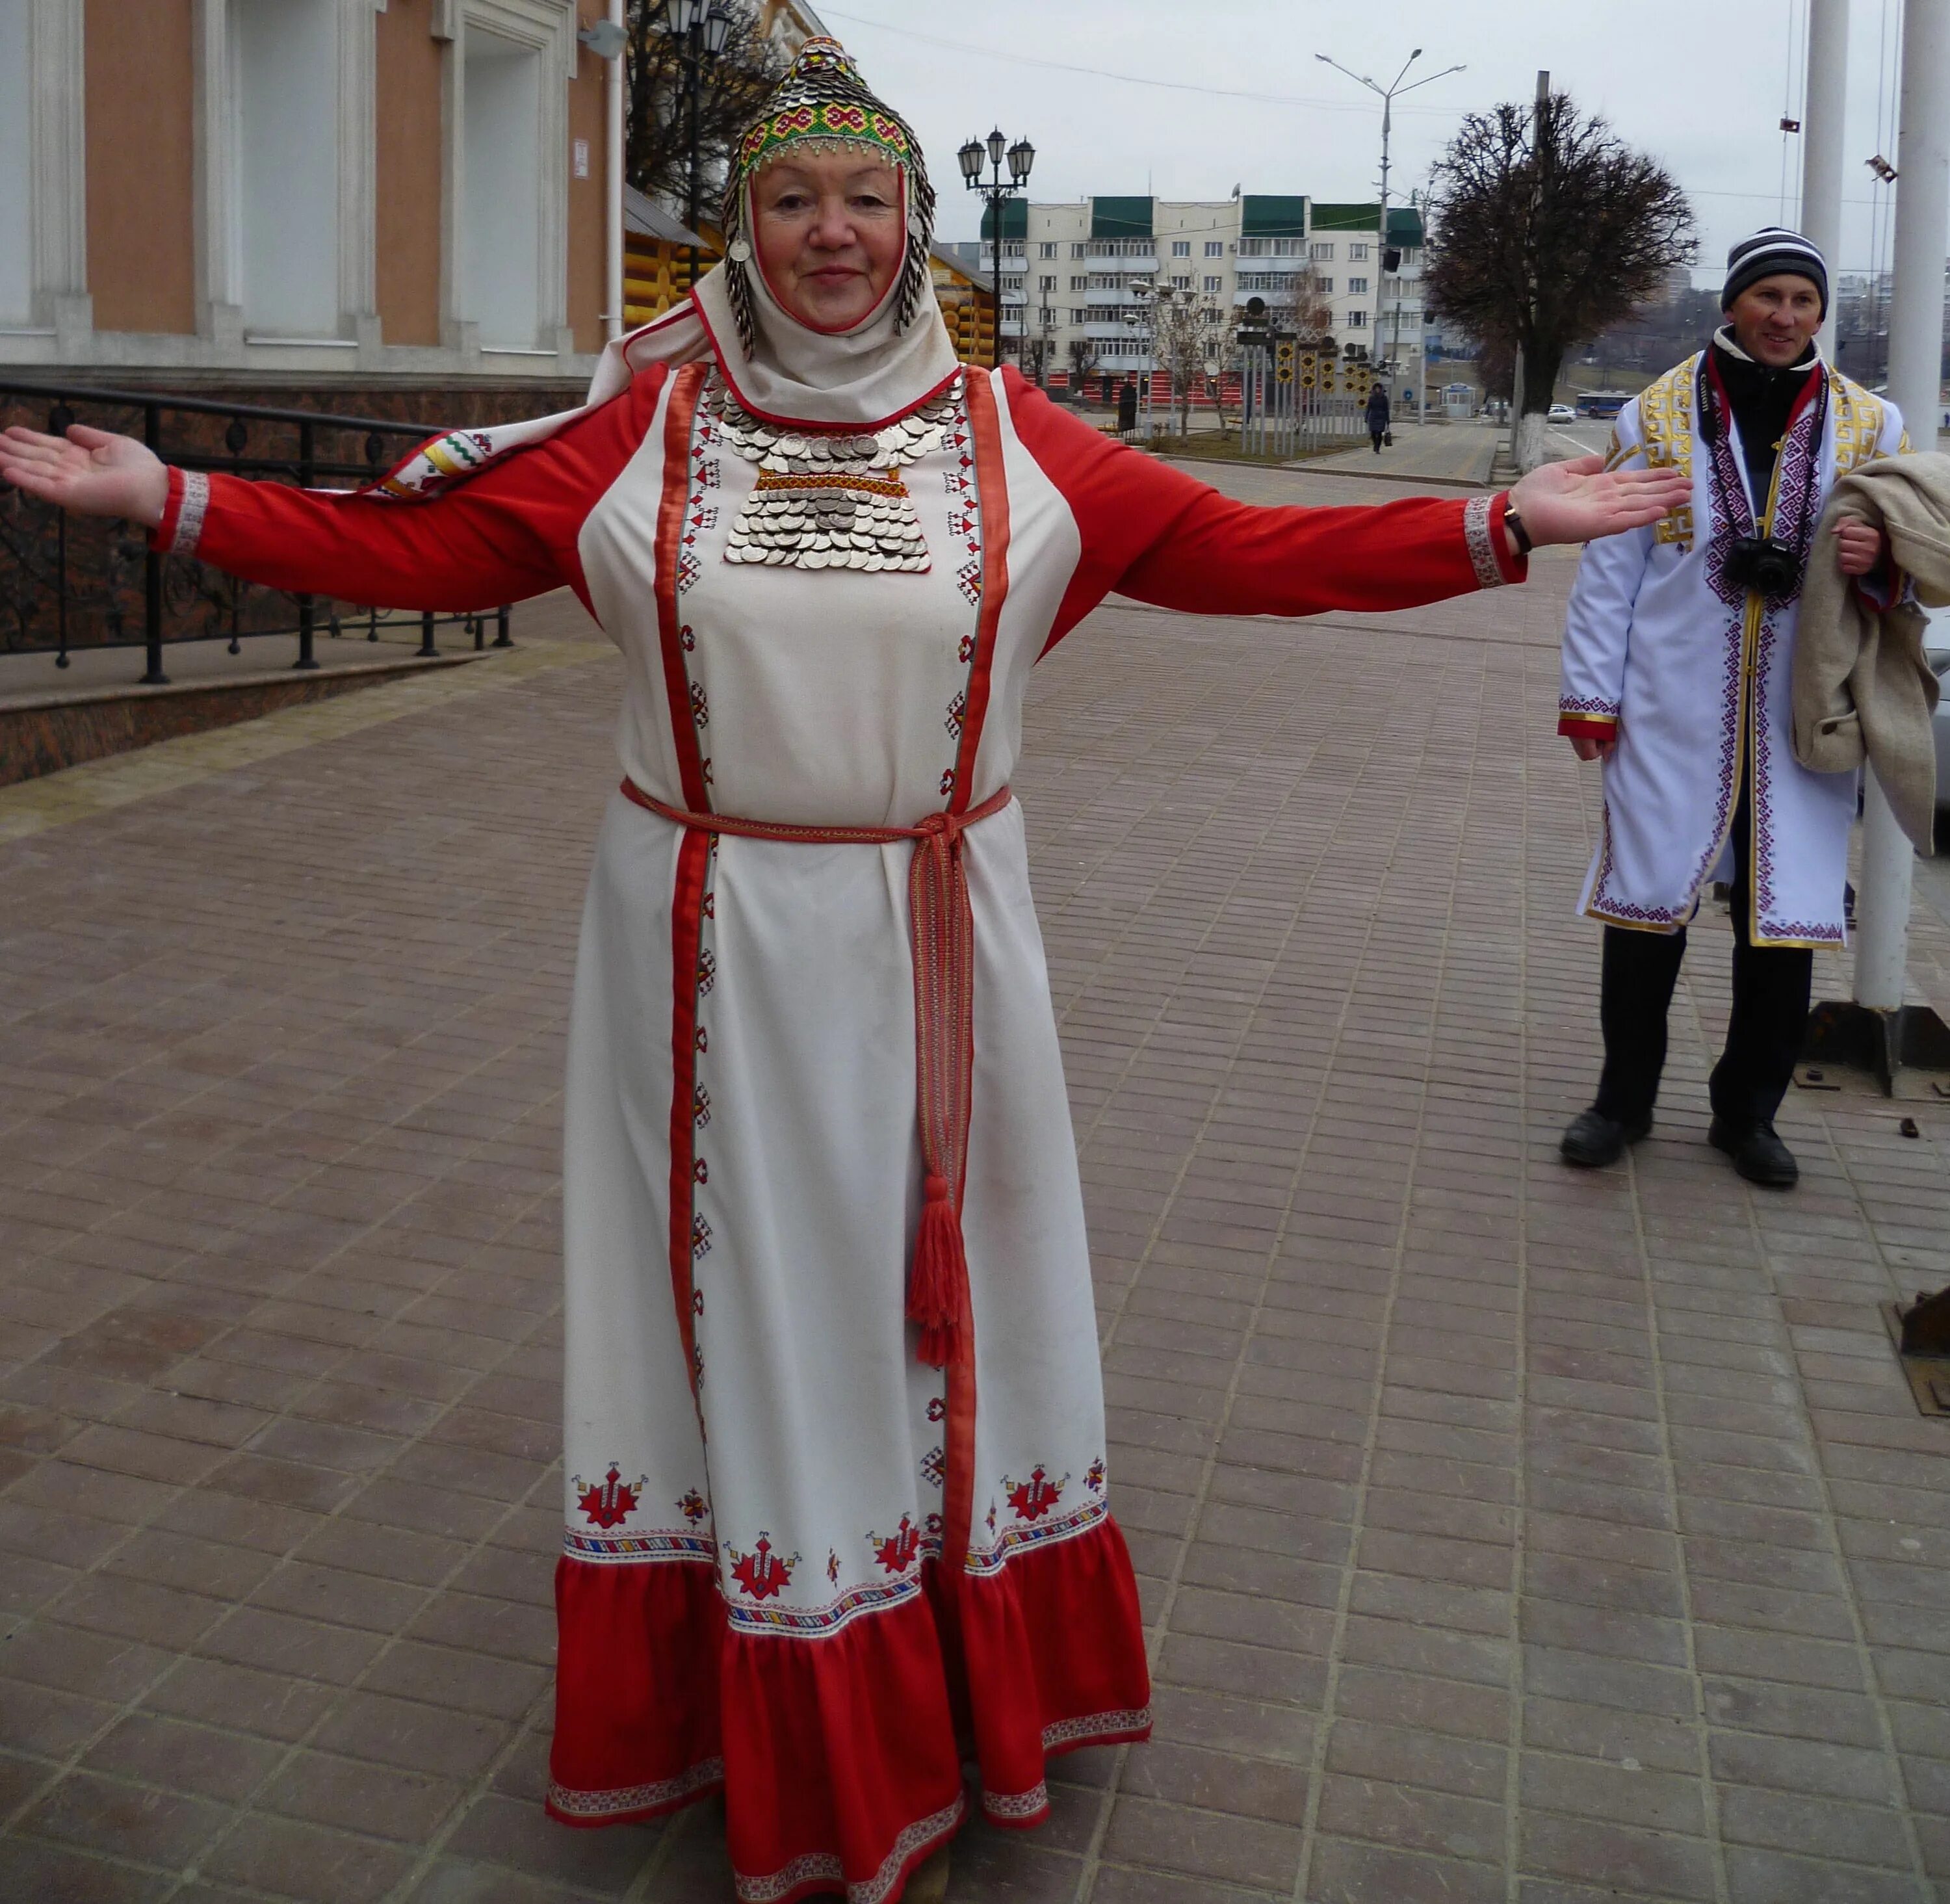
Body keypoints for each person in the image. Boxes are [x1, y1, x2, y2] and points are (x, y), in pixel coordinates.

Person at [0, 39, 1687, 1904]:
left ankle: (958, 1686)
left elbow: (1234, 550)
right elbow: (424, 548)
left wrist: (1487, 527)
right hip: (705, 946)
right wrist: (171, 500)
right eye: (792, 200)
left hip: (947, 930)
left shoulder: (1010, 434)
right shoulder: (635, 425)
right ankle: (770, 1699)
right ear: (742, 227)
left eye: (867, 201)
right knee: (745, 1306)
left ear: (916, 227)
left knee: (954, 1304)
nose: (831, 234)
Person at [1555, 227, 1904, 1190]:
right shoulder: (1655, 415)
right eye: (1769, 298)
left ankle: (1748, 1115)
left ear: (1821, 313)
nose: (1786, 317)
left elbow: (1913, 561)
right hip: (1670, 706)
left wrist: (1884, 568)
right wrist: (1591, 695)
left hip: (1803, 716)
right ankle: (1620, 1103)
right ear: (1734, 304)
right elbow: (1607, 570)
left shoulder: (1872, 426)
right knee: (1644, 908)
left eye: (1803, 301)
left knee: (1781, 919)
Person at [1366, 377, 1391, 454]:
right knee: (1373, 433)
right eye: (1376, 389)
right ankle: (1375, 444)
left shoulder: (1384, 398)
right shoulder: (1371, 398)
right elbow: (1368, 408)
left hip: (1381, 417)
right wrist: (1366, 417)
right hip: (1373, 416)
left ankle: (1378, 448)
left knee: (1379, 433)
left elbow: (1386, 409)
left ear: (1381, 389)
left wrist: (1388, 419)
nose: (1377, 390)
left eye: (1379, 389)